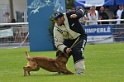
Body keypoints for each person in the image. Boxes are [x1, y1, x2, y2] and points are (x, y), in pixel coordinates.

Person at [53, 9, 87, 74]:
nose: (56, 22)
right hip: (68, 40)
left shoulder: (69, 15)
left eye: (57, 20)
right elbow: (57, 42)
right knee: (59, 52)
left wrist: (77, 15)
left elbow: (82, 10)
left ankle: (80, 71)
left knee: (77, 51)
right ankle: (61, 70)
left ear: (62, 17)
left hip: (80, 37)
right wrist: (65, 49)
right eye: (55, 20)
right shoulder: (56, 27)